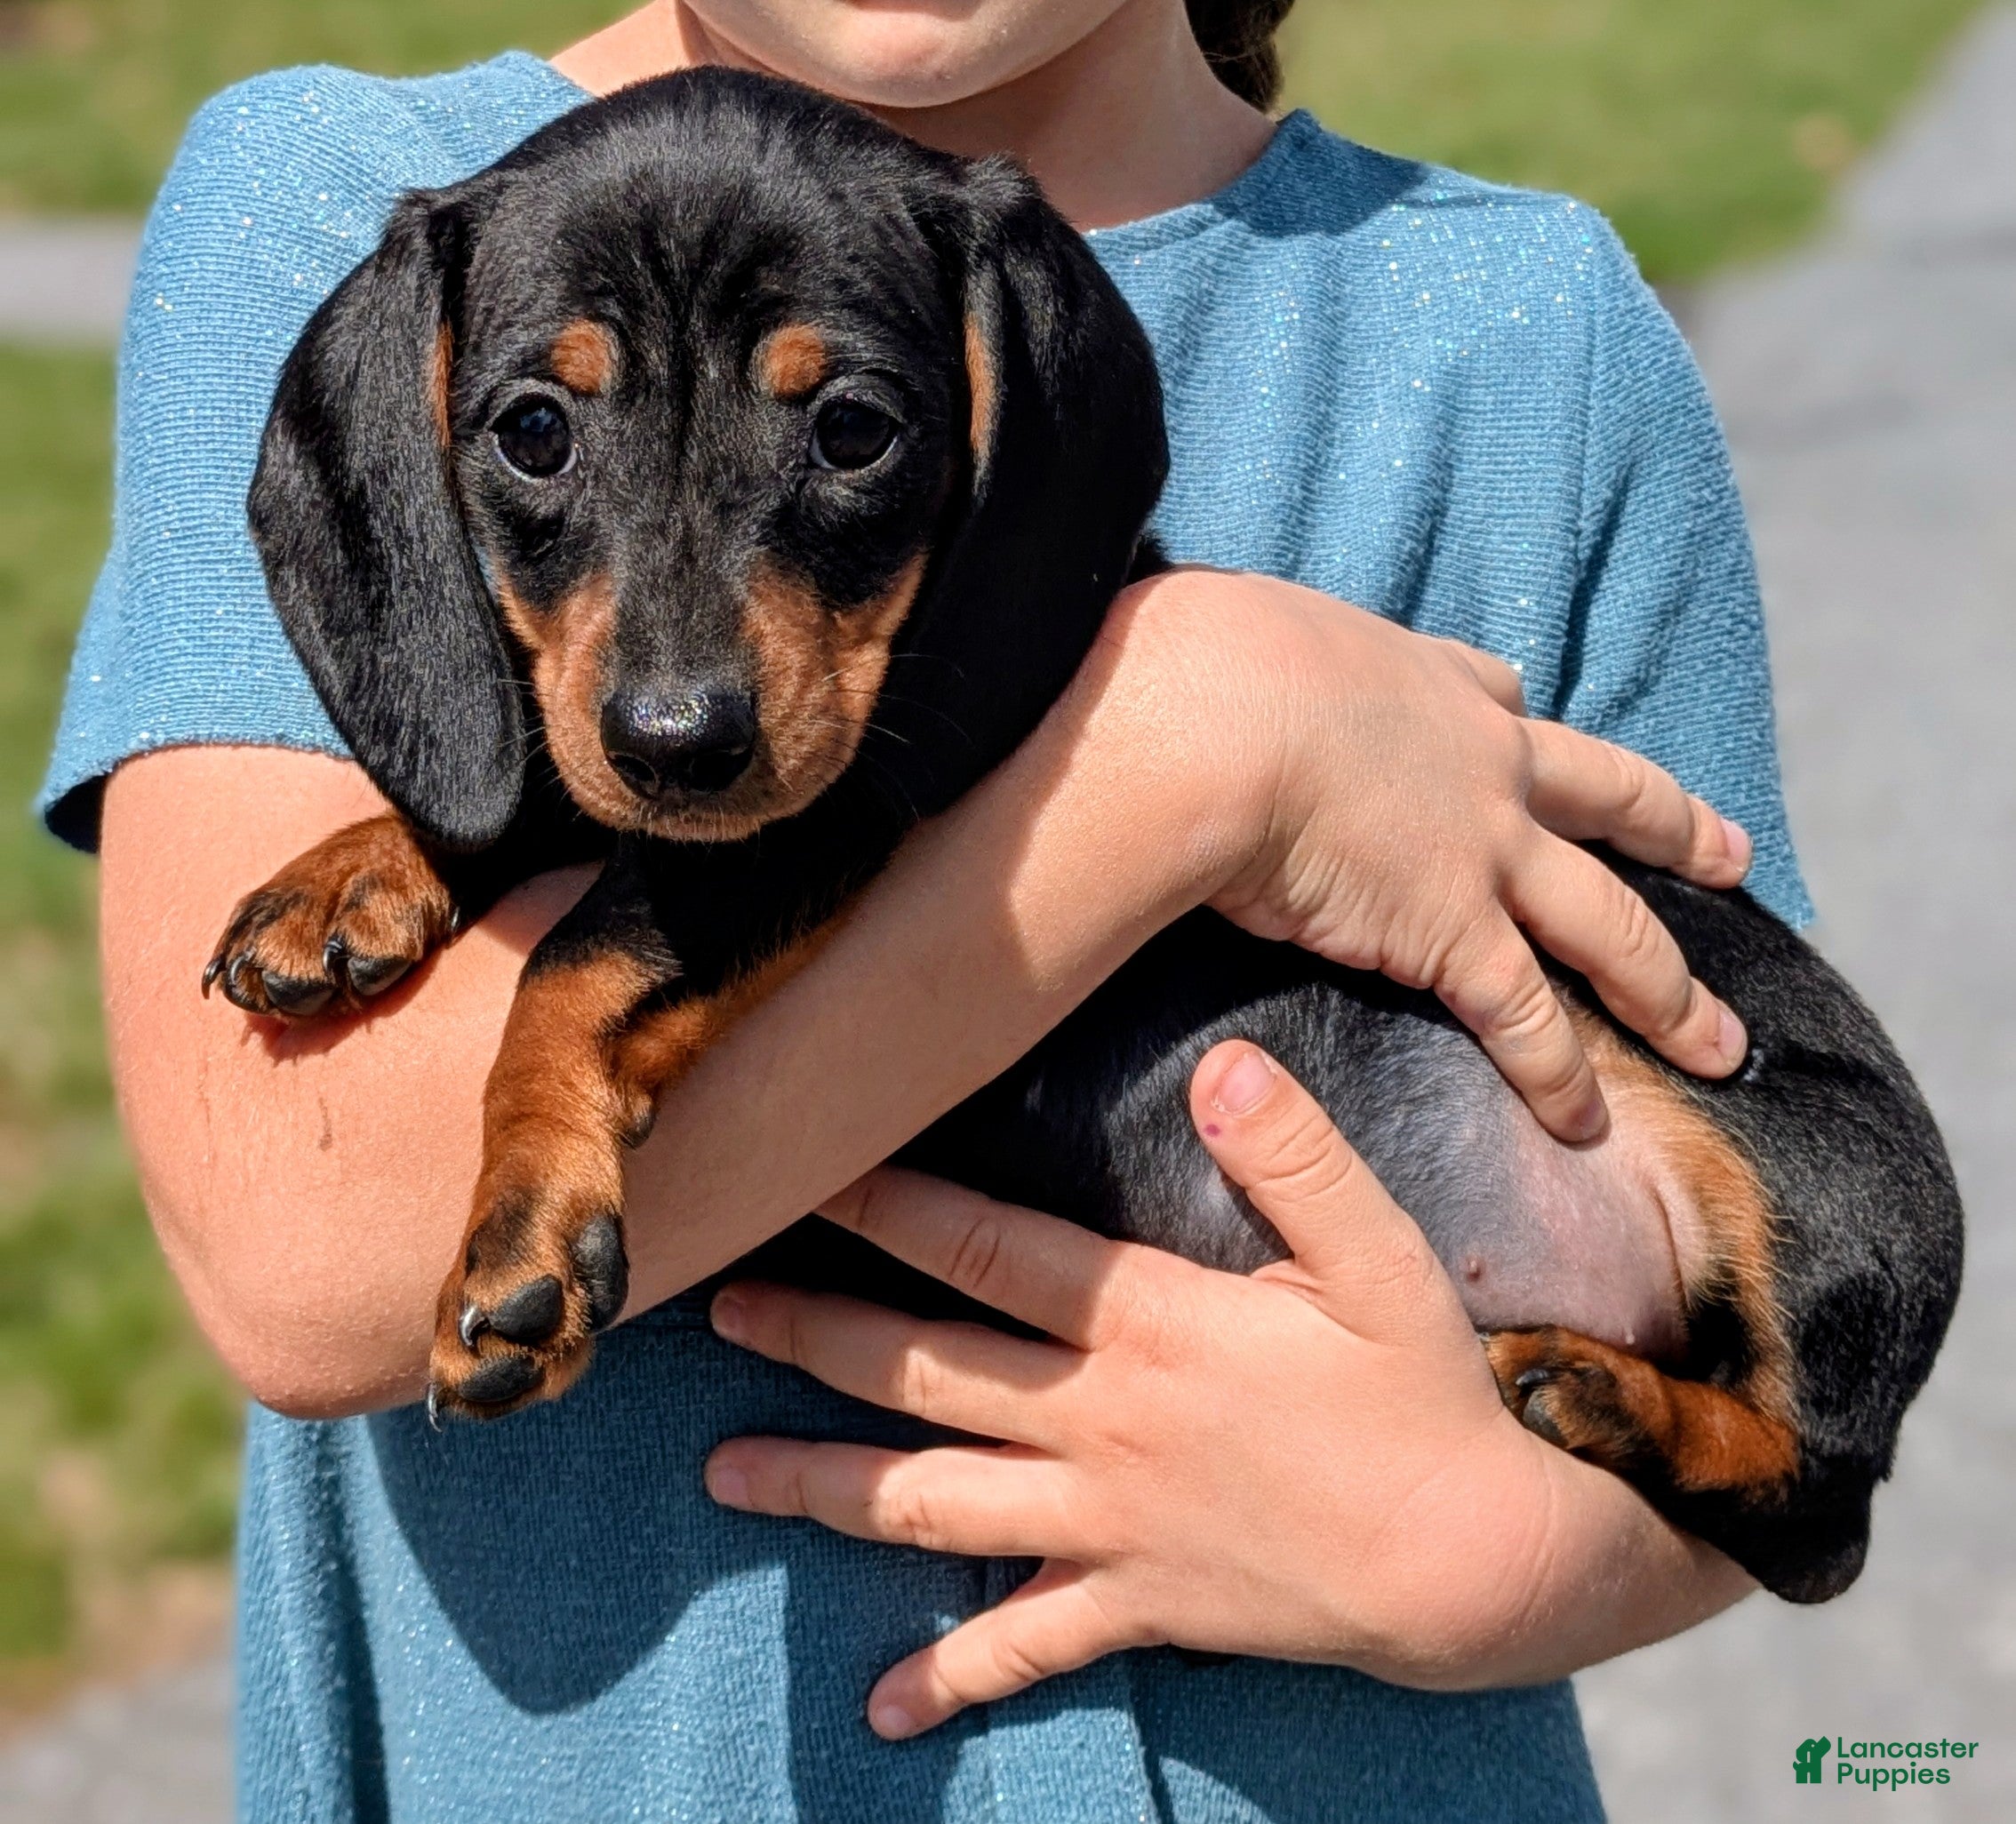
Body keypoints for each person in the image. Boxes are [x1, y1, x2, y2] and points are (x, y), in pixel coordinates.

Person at [44, 1, 1809, 1817]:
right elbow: (317, 1256)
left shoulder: (1529, 340)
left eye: (860, 430)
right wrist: (1207, 739)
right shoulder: (333, 208)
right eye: (544, 439)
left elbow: (1791, 1307)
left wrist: (1490, 1557)